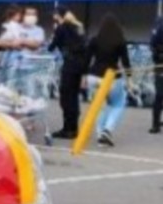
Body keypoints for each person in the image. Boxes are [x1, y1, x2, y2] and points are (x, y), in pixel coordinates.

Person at [84, 12, 132, 147]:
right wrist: (129, 79)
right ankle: (108, 130)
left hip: (93, 76)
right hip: (111, 77)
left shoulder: (94, 40)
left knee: (99, 106)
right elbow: (126, 62)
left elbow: (86, 59)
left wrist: (83, 76)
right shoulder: (120, 41)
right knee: (118, 103)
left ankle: (100, 134)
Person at [47, 10, 87, 139]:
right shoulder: (79, 27)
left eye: (54, 15)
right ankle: (74, 128)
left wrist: (53, 36)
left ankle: (67, 129)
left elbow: (51, 47)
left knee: (65, 96)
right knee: (74, 97)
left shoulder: (61, 28)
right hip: (80, 65)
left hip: (69, 65)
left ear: (58, 15)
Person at [150, 14, 163, 135]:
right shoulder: (159, 23)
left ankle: (155, 124)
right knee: (159, 95)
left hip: (159, 63)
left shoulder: (158, 22)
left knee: (159, 95)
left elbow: (152, 44)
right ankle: (156, 123)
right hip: (159, 63)